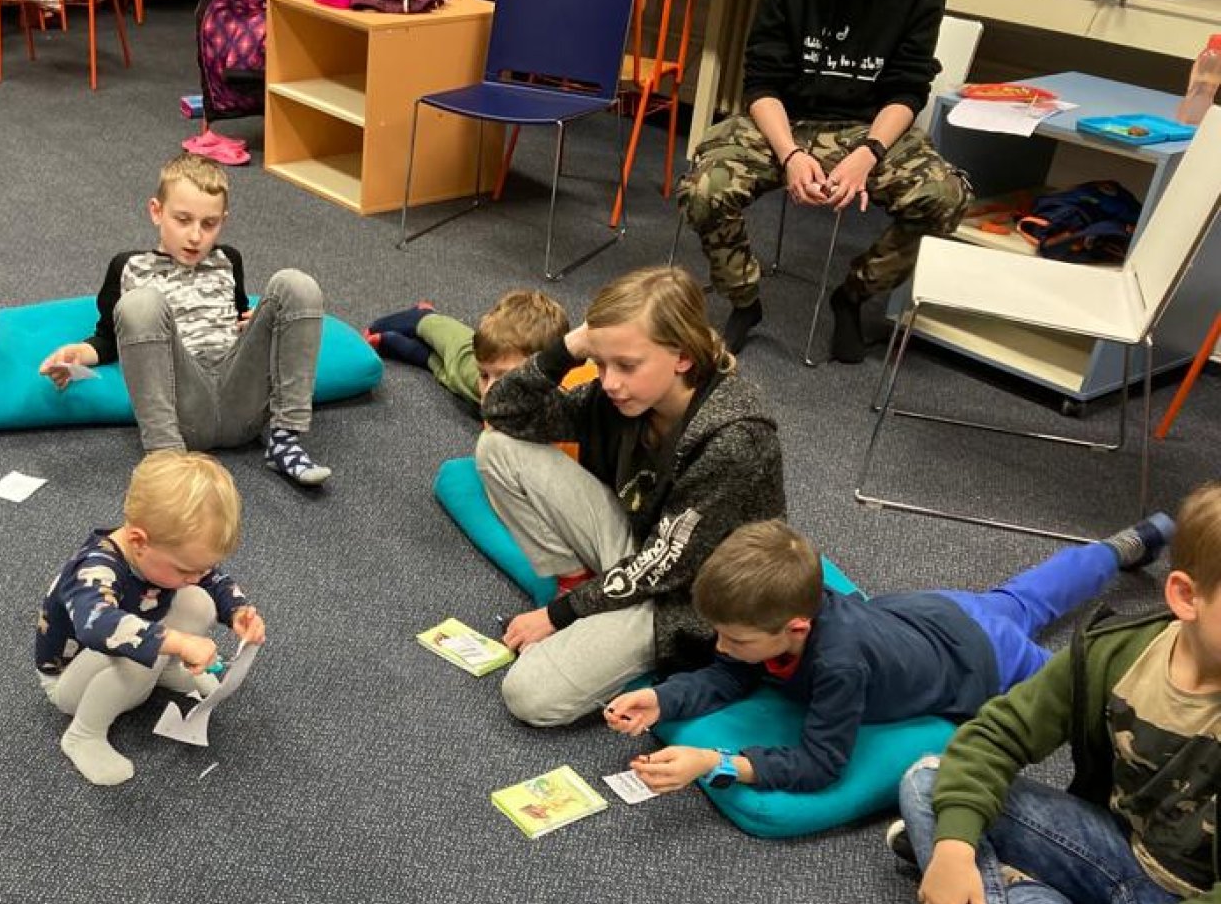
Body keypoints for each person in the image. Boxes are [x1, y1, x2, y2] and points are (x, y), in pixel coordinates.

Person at [892, 482, 1221, 904]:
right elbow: (994, 736)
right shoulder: (1114, 653)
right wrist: (957, 844)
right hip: (1117, 852)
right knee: (930, 781)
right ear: (1185, 596)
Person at [606, 514, 1177, 794]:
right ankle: (1121, 547)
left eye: (736, 640)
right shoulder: (771, 624)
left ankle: (1163, 638)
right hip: (936, 611)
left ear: (795, 627)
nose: (723, 648)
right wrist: (663, 699)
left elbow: (821, 764)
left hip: (983, 659)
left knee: (1087, 684)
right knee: (1025, 597)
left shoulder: (838, 665)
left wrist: (717, 762)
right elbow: (728, 675)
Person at [477, 265, 786, 727]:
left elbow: (668, 565)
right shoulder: (622, 395)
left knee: (527, 694)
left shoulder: (735, 439)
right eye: (600, 363)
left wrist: (559, 616)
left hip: (685, 598)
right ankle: (583, 587)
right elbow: (503, 411)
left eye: (625, 365)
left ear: (682, 357)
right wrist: (570, 347)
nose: (608, 382)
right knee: (497, 448)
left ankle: (604, 618)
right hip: (639, 549)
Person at [674, 0, 970, 363]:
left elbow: (907, 89)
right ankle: (743, 300)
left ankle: (852, 296)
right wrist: (790, 154)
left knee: (944, 197)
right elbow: (761, 83)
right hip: (786, 121)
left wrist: (868, 153)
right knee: (705, 190)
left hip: (868, 127)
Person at [37, 152, 332, 487]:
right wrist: (77, 354)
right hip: (183, 413)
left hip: (243, 406)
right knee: (141, 304)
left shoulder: (228, 259)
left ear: (223, 220)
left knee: (295, 284)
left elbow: (236, 321)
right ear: (156, 211)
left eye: (209, 224)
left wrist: (258, 324)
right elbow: (109, 338)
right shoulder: (127, 267)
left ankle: (285, 440)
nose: (195, 236)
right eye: (183, 220)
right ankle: (166, 459)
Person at [35, 451, 266, 786]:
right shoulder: (94, 568)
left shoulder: (161, 551)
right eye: (185, 569)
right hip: (70, 681)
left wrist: (237, 611)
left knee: (199, 602)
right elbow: (99, 627)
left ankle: (164, 670)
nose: (197, 576)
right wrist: (177, 643)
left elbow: (211, 579)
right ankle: (84, 734)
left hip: (128, 643)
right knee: (141, 649)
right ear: (139, 542)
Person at [365, 290, 569, 410]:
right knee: (459, 356)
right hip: (469, 358)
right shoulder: (483, 373)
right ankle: (423, 317)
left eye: (502, 378)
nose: (489, 390)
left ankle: (423, 355)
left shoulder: (558, 403)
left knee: (454, 380)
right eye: (485, 376)